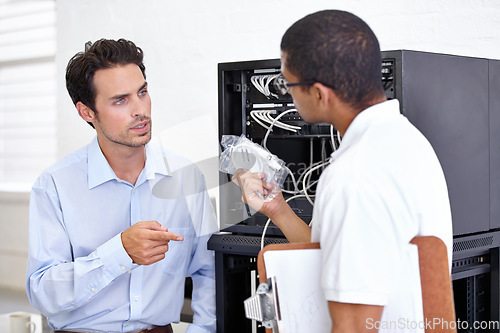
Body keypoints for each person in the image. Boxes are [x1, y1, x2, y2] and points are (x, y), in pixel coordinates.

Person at [233, 10, 453, 333]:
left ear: (319, 93)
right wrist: (278, 211)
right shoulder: (411, 142)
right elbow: (341, 256)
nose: (288, 94)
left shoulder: (354, 175)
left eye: (288, 84)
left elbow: (352, 326)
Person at [26, 39, 217, 333]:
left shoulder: (186, 177)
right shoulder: (54, 185)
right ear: (87, 112)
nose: (140, 110)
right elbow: (43, 291)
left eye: (142, 92)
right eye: (120, 100)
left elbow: (208, 272)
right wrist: (119, 253)